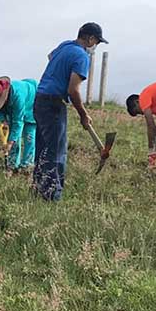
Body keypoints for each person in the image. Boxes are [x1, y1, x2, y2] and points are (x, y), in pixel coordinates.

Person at [32, 22, 107, 201]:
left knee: (42, 150)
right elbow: (73, 90)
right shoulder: (81, 56)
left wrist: (59, 72)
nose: (95, 46)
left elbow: (51, 57)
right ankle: (51, 196)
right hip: (54, 104)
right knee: (56, 152)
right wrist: (83, 114)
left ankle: (37, 190)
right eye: (96, 41)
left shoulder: (65, 45)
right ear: (90, 38)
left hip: (40, 99)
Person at [0, 76, 37, 174]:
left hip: (32, 103)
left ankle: (26, 165)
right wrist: (4, 120)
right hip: (15, 107)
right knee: (13, 134)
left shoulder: (17, 97)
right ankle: (12, 164)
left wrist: (10, 142)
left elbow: (18, 122)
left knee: (29, 136)